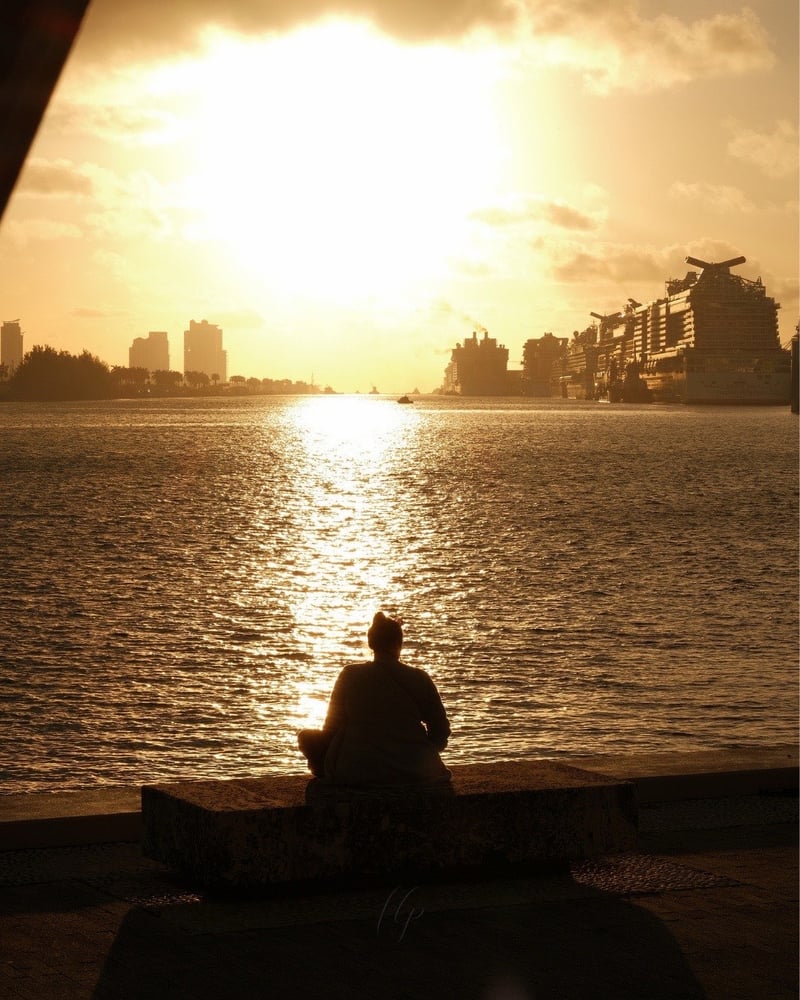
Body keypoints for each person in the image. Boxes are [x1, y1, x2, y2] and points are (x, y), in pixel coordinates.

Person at [300, 612, 451, 788]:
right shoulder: (419, 678)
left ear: (371, 643)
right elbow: (441, 731)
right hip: (415, 772)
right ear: (399, 644)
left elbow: (331, 730)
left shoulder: (349, 675)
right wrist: (418, 752)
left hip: (358, 772)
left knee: (305, 737)